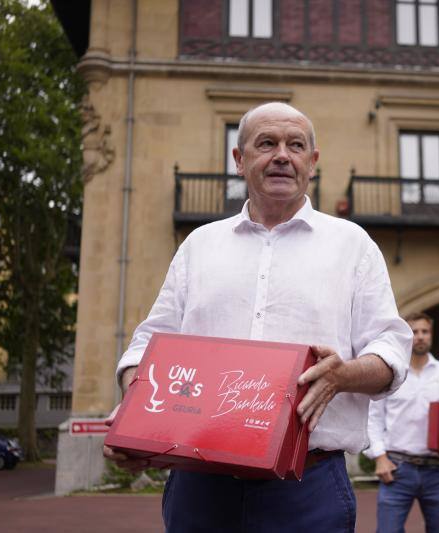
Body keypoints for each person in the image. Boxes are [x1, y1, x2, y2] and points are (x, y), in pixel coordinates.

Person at [102, 102, 413, 532]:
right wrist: (133, 410)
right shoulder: (199, 245)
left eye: (296, 145)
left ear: (312, 162)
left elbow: (391, 348)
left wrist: (344, 374)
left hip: (308, 485)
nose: (282, 155)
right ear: (239, 159)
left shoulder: (352, 245)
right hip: (200, 486)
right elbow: (147, 346)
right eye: (266, 143)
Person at [365, 312, 439, 533]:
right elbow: (373, 417)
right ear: (406, 335)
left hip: (437, 470)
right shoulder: (392, 373)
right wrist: (380, 457)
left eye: (425, 331)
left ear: (431, 335)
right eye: (414, 332)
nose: (420, 336)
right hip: (396, 467)